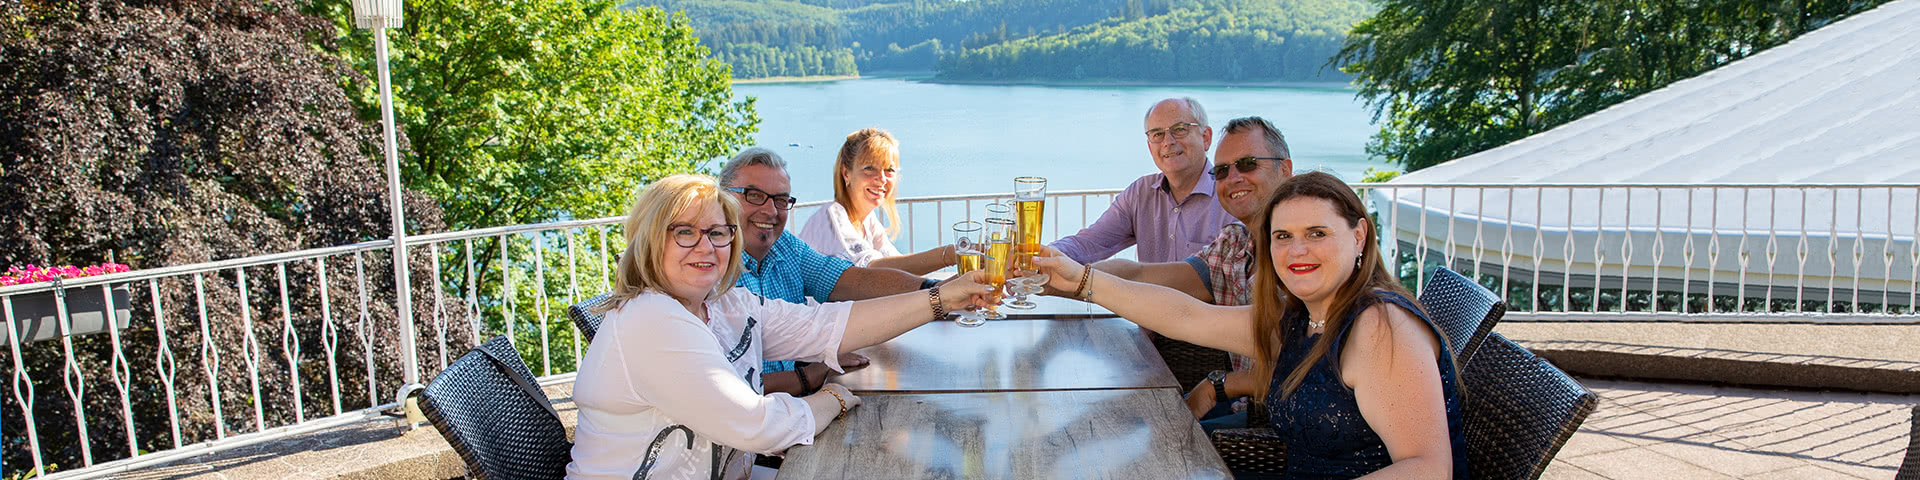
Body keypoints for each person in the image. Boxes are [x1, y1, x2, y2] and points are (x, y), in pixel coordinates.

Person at [1030, 172, 1468, 479]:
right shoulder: (1302, 317)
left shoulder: (1379, 326)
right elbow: (1187, 316)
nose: (1298, 250)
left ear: (1359, 236)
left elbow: (1427, 469)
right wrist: (1081, 279)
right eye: (1283, 236)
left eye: (1317, 233)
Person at [566, 174, 994, 480]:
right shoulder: (651, 319)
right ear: (648, 240)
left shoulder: (725, 303)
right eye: (684, 232)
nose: (706, 246)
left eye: (718, 233)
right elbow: (757, 425)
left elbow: (827, 326)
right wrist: (833, 400)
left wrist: (945, 297)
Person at [1082, 116, 1294, 430]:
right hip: (1252, 405)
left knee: (1164, 440)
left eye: (1247, 164)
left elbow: (1303, 362)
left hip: (1287, 426)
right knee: (1120, 418)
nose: (1233, 177)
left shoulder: (1303, 253)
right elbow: (1140, 274)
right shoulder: (1236, 244)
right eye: (1221, 171)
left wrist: (1219, 385)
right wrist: (1062, 278)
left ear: (1285, 169)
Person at [719, 147, 941, 397]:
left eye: (781, 200)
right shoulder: (708, 267)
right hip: (751, 423)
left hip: (796, 408)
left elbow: (853, 280)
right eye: (754, 196)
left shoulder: (785, 246)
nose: (771, 211)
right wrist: (808, 375)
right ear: (724, 199)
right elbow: (721, 386)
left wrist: (936, 289)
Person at [1048, 97, 1237, 264]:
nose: (1168, 141)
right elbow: (1091, 243)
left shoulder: (1232, 197)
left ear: (1206, 137)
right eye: (1157, 134)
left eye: (1179, 129)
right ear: (1149, 146)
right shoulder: (1140, 193)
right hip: (1147, 304)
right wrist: (1043, 255)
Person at [799, 128, 957, 275]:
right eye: (869, 168)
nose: (881, 179)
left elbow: (900, 268)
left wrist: (959, 282)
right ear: (846, 173)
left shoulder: (867, 220)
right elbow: (872, 272)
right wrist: (950, 255)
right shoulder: (832, 218)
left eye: (889, 170)